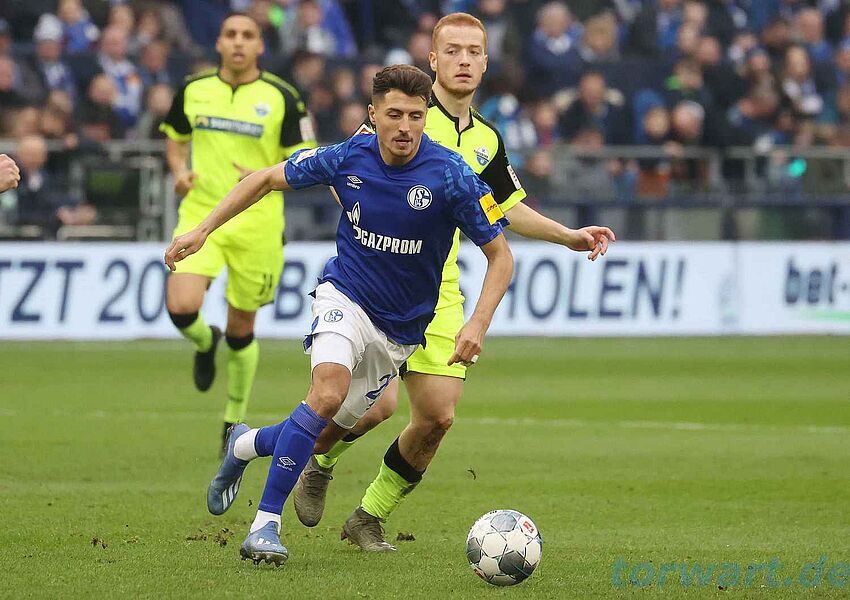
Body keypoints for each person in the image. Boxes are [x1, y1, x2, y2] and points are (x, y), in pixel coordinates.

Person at [164, 64, 514, 565]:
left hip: (399, 332)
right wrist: (202, 230)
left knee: (326, 430)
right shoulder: (349, 156)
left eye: (416, 116)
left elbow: (500, 256)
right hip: (344, 297)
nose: (405, 127)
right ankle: (265, 526)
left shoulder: (451, 175)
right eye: (394, 115)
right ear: (373, 114)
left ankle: (246, 444)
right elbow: (265, 178)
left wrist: (477, 323)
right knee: (326, 393)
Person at [294, 12, 616, 552]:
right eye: (453, 51)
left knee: (437, 417)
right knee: (375, 408)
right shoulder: (404, 116)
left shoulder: (486, 138)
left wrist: (567, 236)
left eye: (473, 51)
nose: (463, 60)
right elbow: (344, 173)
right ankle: (319, 463)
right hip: (376, 282)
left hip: (439, 292)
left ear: (485, 62)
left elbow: (505, 208)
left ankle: (369, 515)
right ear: (433, 60)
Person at [160, 13, 315, 453]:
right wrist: (179, 171)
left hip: (258, 223)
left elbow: (305, 156)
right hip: (200, 215)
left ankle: (232, 420)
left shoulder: (283, 96)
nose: (239, 42)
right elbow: (175, 139)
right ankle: (205, 341)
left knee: (242, 325)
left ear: (260, 46)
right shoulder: (193, 89)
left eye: (248, 35)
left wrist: (267, 175)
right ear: (219, 43)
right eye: (231, 34)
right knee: (181, 306)